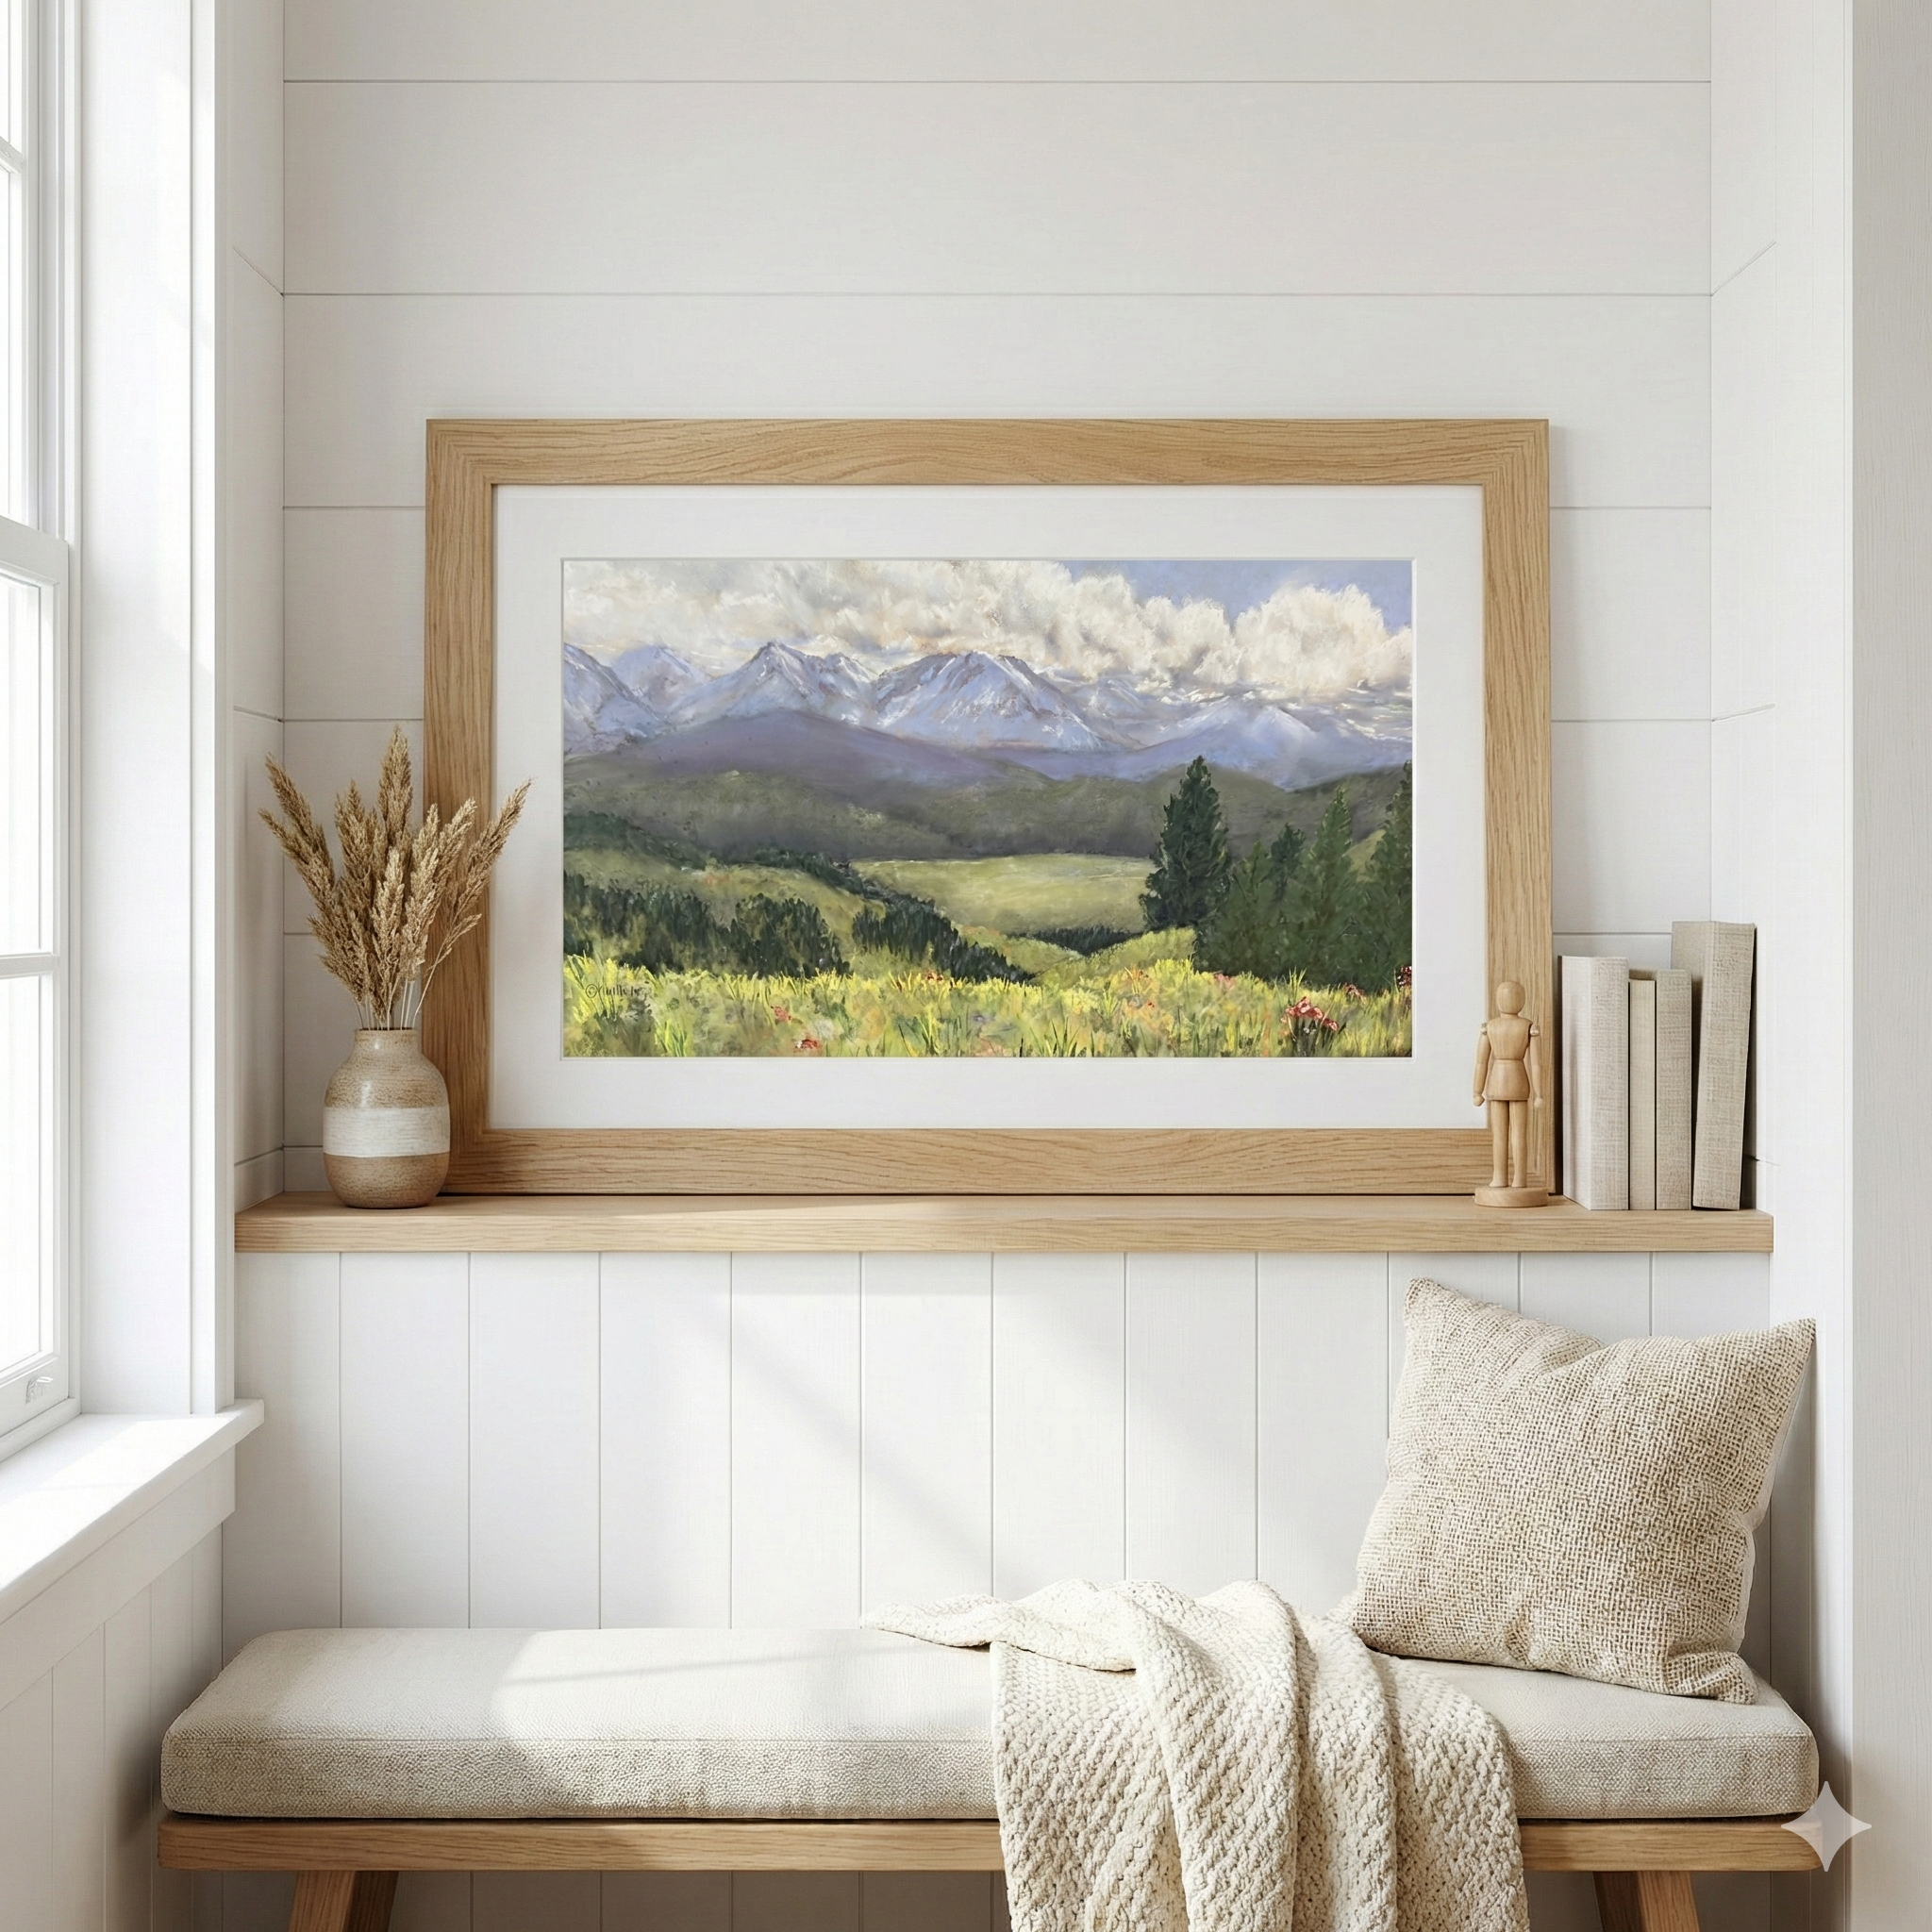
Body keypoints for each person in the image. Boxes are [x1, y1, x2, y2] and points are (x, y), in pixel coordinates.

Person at [1473, 980, 1545, 1202]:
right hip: (1518, 1079)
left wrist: (1477, 1090)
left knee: (1500, 1135)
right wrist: (1539, 1093)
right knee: (1519, 1135)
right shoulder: (1527, 1027)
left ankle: (1500, 1177)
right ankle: (1519, 1178)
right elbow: (1536, 1064)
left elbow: (1481, 1063)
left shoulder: (1490, 1027)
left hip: (1497, 1080)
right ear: (1521, 1001)